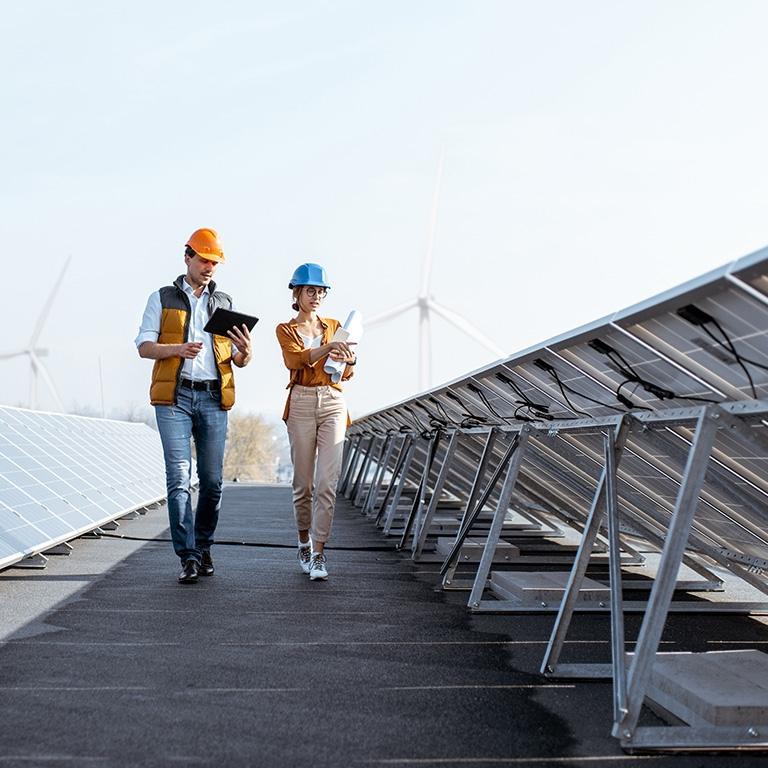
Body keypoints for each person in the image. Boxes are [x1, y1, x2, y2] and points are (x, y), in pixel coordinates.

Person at [135, 228, 252, 584]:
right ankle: (187, 556)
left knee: (214, 482)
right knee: (179, 479)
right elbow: (143, 346)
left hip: (215, 397)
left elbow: (237, 358)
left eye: (214, 262)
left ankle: (203, 548)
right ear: (187, 257)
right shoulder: (162, 298)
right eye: (204, 260)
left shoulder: (225, 303)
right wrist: (177, 350)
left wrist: (246, 352)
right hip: (175, 397)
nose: (209, 267)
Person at [276, 263, 357, 581]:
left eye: (321, 291)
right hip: (301, 402)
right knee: (304, 485)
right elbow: (295, 360)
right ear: (296, 293)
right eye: (311, 290)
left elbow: (346, 372)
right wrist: (328, 348)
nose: (316, 296)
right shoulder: (285, 329)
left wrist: (349, 361)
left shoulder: (335, 325)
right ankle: (303, 543)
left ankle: (320, 553)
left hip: (333, 401)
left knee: (327, 483)